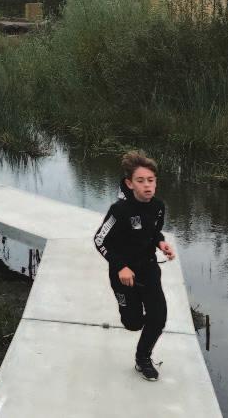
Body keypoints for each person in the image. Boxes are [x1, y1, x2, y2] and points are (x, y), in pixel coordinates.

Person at [94, 150, 175, 381]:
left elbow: (153, 231)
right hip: (123, 276)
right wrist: (120, 266)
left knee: (158, 317)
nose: (147, 185)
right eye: (141, 181)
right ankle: (130, 309)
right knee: (133, 323)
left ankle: (143, 359)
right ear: (130, 184)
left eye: (151, 180)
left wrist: (161, 243)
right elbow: (99, 240)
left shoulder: (158, 206)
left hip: (149, 269)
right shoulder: (119, 210)